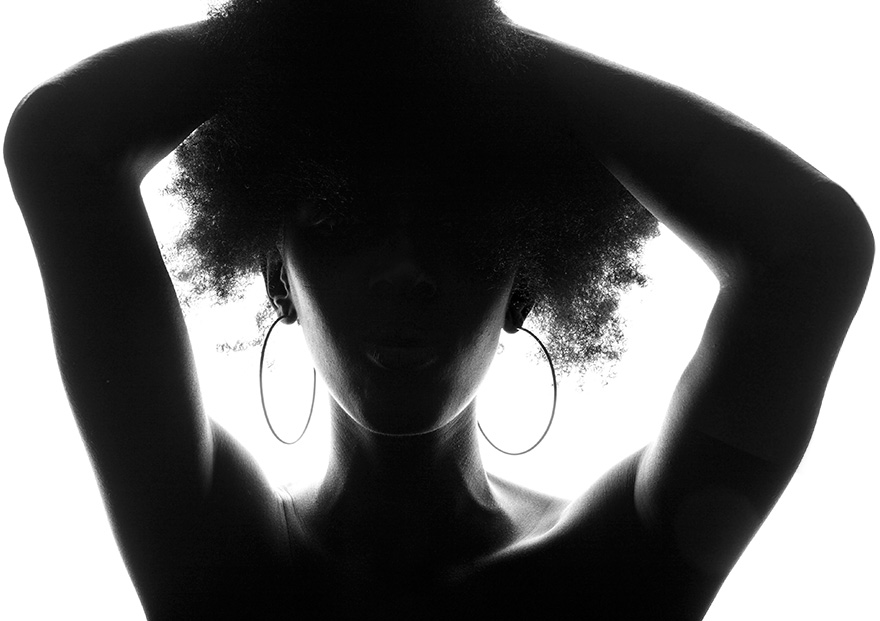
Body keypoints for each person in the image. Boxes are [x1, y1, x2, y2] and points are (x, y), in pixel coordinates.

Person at [4, 0, 873, 618]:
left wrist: (475, 38)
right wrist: (341, 26)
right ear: (278, 282)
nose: (406, 270)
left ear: (524, 285)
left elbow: (812, 247)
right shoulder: (217, 558)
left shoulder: (610, 573)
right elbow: (58, 141)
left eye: (460, 227)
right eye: (343, 220)